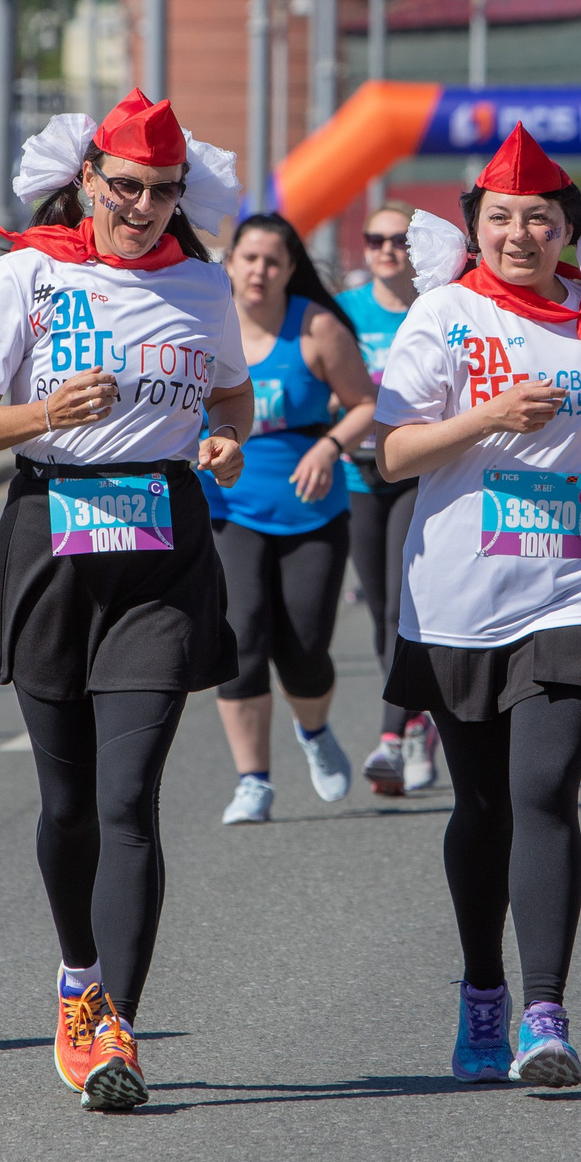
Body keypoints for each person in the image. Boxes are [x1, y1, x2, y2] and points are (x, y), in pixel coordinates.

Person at [0, 90, 250, 1114]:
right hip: (53, 536)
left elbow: (231, 392)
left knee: (130, 800)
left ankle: (113, 1023)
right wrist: (46, 410)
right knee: (68, 804)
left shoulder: (201, 288)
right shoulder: (28, 274)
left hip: (162, 544)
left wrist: (224, 436)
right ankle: (77, 974)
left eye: (164, 192)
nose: (145, 208)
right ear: (87, 181)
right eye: (126, 188)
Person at [374, 124, 581, 1089]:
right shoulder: (444, 315)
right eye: (501, 217)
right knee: (484, 806)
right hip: (459, 596)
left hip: (576, 584)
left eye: (539, 217)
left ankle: (546, 1012)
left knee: (545, 792)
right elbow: (396, 453)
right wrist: (487, 417)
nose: (520, 234)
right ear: (475, 228)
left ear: (568, 228)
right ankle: (482, 992)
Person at [209, 214, 376, 825]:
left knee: (304, 648)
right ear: (229, 263)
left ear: (289, 267)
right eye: (249, 258)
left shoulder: (317, 326)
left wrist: (328, 447)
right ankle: (253, 780)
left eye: (273, 261)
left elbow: (365, 405)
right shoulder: (205, 324)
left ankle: (314, 730)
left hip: (311, 509)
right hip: (228, 508)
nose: (259, 271)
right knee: (242, 636)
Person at [341, 202, 439, 797]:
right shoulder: (345, 313)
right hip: (358, 475)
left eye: (398, 239)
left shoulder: (435, 308)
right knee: (379, 612)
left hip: (414, 472)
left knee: (403, 610)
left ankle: (390, 735)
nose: (386, 249)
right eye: (374, 239)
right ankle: (419, 718)